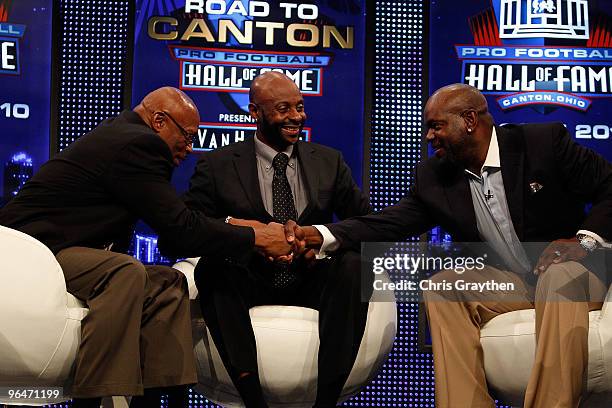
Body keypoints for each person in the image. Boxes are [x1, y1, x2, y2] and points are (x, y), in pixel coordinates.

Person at [293, 83, 612, 407]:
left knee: (557, 276)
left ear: (469, 120)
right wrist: (319, 235)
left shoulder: (542, 143)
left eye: (436, 126)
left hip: (579, 274)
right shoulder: (436, 178)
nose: (429, 137)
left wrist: (585, 240)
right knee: (443, 288)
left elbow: (609, 186)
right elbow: (387, 223)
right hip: (519, 282)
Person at [0, 87, 293, 408]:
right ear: (159, 121)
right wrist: (257, 237)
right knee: (125, 272)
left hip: (66, 248)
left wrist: (236, 225)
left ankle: (162, 398)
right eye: (187, 136)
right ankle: (93, 398)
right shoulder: (140, 145)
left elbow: (171, 217)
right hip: (33, 253)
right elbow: (180, 229)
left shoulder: (126, 137)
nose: (189, 148)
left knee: (167, 283)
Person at [181, 72, 372, 407]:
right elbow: (190, 227)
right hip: (248, 275)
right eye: (284, 108)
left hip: (311, 276)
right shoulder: (217, 165)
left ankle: (326, 401)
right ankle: (253, 400)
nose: (296, 116)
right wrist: (247, 234)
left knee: (356, 268)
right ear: (255, 112)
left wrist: (320, 243)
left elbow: (366, 222)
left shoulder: (330, 161)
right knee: (212, 270)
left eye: (299, 107)